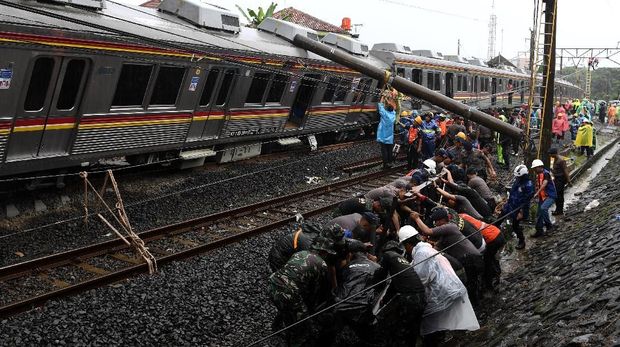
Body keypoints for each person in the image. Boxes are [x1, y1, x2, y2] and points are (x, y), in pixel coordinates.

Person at [398, 224, 479, 345]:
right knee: (440, 325)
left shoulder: (421, 253)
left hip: (444, 292)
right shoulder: (426, 249)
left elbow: (421, 280)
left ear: (408, 244)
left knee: (430, 326)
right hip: (451, 287)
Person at [267, 237, 335, 346]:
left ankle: (277, 326)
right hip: (289, 291)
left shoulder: (301, 253)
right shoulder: (321, 264)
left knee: (287, 308)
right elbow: (317, 289)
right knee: (301, 324)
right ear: (324, 252)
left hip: (272, 283)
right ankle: (294, 341)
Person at [410, 208, 484, 306]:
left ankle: (476, 308)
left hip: (471, 258)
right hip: (470, 259)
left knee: (471, 285)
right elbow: (435, 248)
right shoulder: (445, 235)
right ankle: (478, 304)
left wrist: (416, 219)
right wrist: (425, 242)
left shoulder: (449, 227)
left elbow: (427, 231)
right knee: (472, 283)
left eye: (436, 222)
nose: (435, 224)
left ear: (441, 220)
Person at [377, 238, 426, 347]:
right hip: (421, 297)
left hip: (409, 298)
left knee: (401, 330)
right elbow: (394, 285)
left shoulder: (388, 255)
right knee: (412, 330)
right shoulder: (403, 262)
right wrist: (385, 299)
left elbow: (380, 276)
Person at [459, 213, 506, 291]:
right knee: (491, 257)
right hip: (496, 232)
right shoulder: (463, 215)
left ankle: (490, 284)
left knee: (487, 262)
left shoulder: (463, 226)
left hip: (492, 239)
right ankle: (496, 273)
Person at [500, 164, 534, 250]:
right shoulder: (517, 181)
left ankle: (521, 241)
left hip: (519, 208)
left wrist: (521, 212)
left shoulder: (528, 185)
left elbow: (526, 201)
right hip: (511, 204)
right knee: (500, 216)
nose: (517, 178)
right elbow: (513, 192)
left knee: (515, 225)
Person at [531, 159, 557, 238]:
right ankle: (539, 230)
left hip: (550, 196)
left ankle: (549, 225)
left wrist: (537, 193)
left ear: (540, 167)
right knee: (539, 214)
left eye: (535, 168)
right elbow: (538, 185)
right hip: (543, 197)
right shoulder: (538, 175)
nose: (534, 170)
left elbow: (544, 184)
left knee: (543, 209)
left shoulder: (546, 174)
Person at [549, 147, 571, 216]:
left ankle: (559, 210)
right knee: (557, 195)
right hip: (555, 179)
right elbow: (552, 169)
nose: (550, 155)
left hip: (560, 180)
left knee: (559, 195)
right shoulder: (553, 160)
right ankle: (558, 209)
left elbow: (565, 171)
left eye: (551, 154)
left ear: (554, 154)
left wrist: (568, 181)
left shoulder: (561, 161)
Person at [377, 96, 396, 168]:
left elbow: (380, 105)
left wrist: (382, 97)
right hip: (390, 136)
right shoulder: (393, 114)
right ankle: (390, 163)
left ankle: (385, 164)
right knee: (389, 150)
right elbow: (393, 108)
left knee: (384, 151)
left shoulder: (384, 114)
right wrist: (388, 101)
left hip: (382, 136)